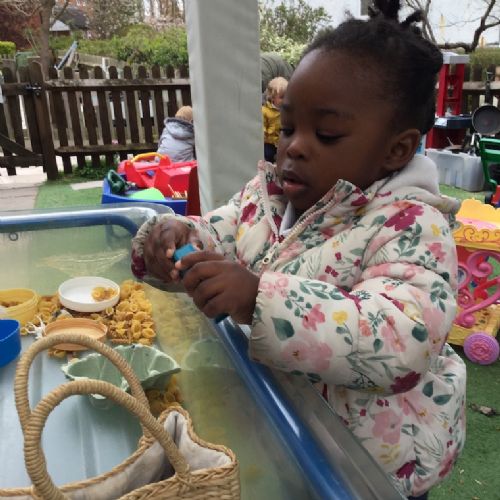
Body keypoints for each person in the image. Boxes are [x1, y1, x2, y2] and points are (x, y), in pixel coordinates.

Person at [131, 1, 466, 498]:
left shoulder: (412, 226)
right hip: (286, 427)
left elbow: (403, 341)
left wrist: (258, 299)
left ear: (396, 149)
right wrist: (172, 240)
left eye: (325, 134)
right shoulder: (266, 197)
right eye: (288, 128)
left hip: (369, 465)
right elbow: (215, 233)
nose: (294, 147)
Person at [262, 76, 288, 163]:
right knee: (267, 157)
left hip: (282, 142)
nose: (285, 100)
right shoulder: (265, 111)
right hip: (269, 143)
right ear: (272, 97)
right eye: (282, 97)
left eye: (287, 96)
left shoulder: (287, 111)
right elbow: (262, 127)